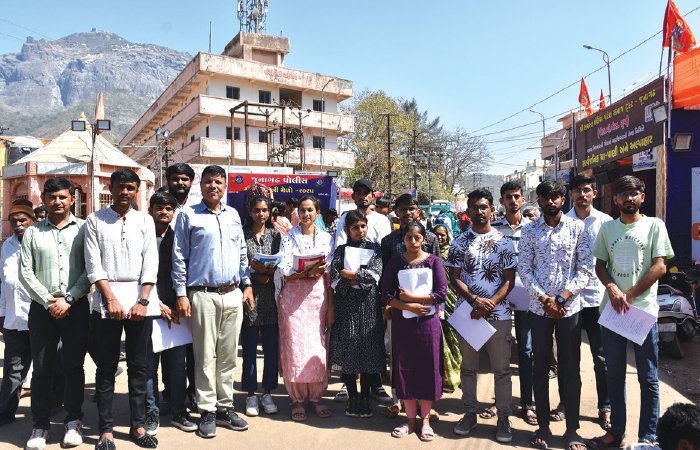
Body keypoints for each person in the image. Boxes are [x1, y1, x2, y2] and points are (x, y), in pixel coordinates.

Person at [588, 175, 674, 449]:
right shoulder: (607, 229)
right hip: (613, 312)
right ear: (615, 199)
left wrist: (631, 294)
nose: (628, 198)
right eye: (623, 194)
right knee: (614, 375)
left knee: (648, 377)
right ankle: (617, 431)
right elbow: (600, 265)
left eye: (633, 193)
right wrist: (612, 287)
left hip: (642, 313)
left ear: (642, 197)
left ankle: (648, 436)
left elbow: (660, 266)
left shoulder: (654, 226)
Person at [172, 165, 253, 438]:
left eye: (218, 182)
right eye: (208, 182)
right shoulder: (188, 215)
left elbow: (242, 252)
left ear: (225, 186)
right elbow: (179, 257)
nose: (213, 186)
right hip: (202, 294)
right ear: (201, 185)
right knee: (205, 356)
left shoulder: (233, 215)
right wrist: (181, 293)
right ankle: (206, 409)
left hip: (232, 293)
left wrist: (247, 285)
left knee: (228, 355)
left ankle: (224, 407)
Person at [85, 169, 159, 450]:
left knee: (139, 366)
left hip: (139, 302)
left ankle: (138, 425)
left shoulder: (145, 220)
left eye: (130, 187)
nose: (125, 192)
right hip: (107, 303)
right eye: (120, 187)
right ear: (110, 187)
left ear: (137, 190)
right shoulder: (95, 220)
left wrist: (143, 300)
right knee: (106, 367)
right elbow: (93, 264)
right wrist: (110, 299)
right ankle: (105, 431)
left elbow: (150, 262)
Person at [518, 179, 593, 450]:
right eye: (545, 197)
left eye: (555, 197)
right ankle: (543, 426)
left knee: (570, 370)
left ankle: (572, 430)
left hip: (569, 310)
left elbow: (585, 268)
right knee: (540, 368)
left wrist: (561, 298)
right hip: (539, 310)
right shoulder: (529, 231)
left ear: (563, 199)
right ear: (538, 200)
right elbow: (524, 268)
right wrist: (545, 299)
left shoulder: (577, 228)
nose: (550, 201)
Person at [20, 178, 91, 450]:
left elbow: (90, 269)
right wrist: (49, 302)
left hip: (76, 307)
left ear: (72, 199)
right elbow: (26, 273)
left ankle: (73, 421)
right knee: (42, 369)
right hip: (42, 309)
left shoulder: (84, 229)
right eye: (52, 197)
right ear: (44, 199)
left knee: (73, 367)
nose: (57, 202)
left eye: (62, 197)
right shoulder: (32, 232)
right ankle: (40, 426)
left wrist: (69, 298)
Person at [447, 188, 516, 443]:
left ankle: (504, 418)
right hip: (468, 314)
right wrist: (475, 301)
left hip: (499, 314)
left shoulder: (504, 242)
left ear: (492, 210)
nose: (479, 211)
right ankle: (469, 414)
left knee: (502, 370)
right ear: (468, 211)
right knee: (468, 368)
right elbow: (454, 277)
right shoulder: (459, 242)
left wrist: (490, 304)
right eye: (475, 207)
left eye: (484, 207)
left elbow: (509, 280)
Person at [382, 221, 447, 442]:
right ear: (403, 239)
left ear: (424, 239)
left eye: (417, 237)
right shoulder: (395, 262)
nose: (412, 242)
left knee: (428, 366)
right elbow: (386, 294)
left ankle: (425, 420)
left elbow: (441, 293)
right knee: (405, 367)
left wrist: (413, 298)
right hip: (403, 323)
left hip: (428, 324)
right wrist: (406, 306)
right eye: (408, 237)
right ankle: (409, 420)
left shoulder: (434, 261)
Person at [332, 179, 392, 405]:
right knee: (349, 340)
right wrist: (347, 278)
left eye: (367, 192)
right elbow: (337, 269)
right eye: (358, 192)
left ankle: (374, 386)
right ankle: (348, 387)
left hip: (370, 295)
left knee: (371, 341)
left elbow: (378, 264)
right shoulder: (344, 219)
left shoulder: (381, 220)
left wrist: (352, 275)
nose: (363, 196)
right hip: (347, 297)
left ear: (373, 195)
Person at [274, 195, 333, 421]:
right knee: (295, 347)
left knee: (317, 346)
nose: (306, 214)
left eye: (310, 210)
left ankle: (316, 398)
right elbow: (284, 268)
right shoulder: (288, 237)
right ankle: (297, 399)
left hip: (317, 298)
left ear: (317, 212)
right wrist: (304, 272)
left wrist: (331, 305)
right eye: (302, 210)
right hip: (293, 300)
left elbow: (330, 272)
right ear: (297, 213)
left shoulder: (327, 238)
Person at [144, 191, 198, 434]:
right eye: (159, 207)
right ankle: (151, 412)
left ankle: (178, 411)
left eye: (168, 208)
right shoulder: (144, 237)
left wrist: (179, 301)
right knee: (149, 366)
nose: (164, 212)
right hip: (149, 309)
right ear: (151, 210)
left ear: (174, 212)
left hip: (177, 311)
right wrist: (156, 304)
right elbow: (139, 274)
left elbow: (185, 272)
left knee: (177, 364)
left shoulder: (180, 237)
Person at [487, 181, 537, 426]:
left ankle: (527, 403)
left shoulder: (534, 228)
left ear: (522, 199)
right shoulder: (493, 229)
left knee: (526, 351)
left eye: (517, 196)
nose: (513, 201)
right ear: (502, 201)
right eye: (509, 197)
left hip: (527, 297)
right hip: (499, 296)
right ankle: (499, 401)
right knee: (500, 352)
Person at [566, 174, 612, 431]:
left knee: (601, 358)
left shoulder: (606, 223)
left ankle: (605, 407)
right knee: (569, 358)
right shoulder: (562, 222)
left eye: (586, 190)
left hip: (597, 298)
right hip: (569, 300)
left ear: (594, 193)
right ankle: (566, 403)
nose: (582, 195)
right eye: (577, 190)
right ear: (570, 194)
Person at [329, 210, 384, 418]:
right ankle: (353, 398)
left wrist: (351, 275)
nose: (360, 231)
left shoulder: (375, 249)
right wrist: (355, 279)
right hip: (346, 306)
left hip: (368, 305)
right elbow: (335, 279)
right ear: (347, 230)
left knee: (368, 351)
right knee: (350, 350)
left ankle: (365, 398)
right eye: (355, 227)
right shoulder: (341, 251)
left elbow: (375, 276)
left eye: (363, 226)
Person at [241, 196, 281, 417]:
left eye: (265, 210)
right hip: (249, 297)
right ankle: (250, 394)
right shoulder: (242, 234)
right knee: (249, 349)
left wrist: (267, 273)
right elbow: (238, 265)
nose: (261, 214)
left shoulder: (276, 236)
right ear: (250, 211)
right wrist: (255, 276)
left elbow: (283, 265)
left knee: (270, 350)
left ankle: (267, 393)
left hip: (271, 299)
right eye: (257, 210)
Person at [164, 162, 197, 414]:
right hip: (166, 287)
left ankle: (194, 392)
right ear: (168, 180)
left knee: (195, 348)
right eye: (176, 179)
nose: (180, 183)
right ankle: (171, 395)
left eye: (185, 179)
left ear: (191, 182)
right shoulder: (161, 206)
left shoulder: (197, 210)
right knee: (171, 348)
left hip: (194, 287)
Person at [0, 200, 35, 426]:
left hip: (40, 319)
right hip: (13, 320)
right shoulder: (7, 246)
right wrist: (2, 313)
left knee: (47, 367)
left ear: (32, 220)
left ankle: (49, 408)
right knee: (13, 369)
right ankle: (5, 411)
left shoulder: (41, 242)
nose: (18, 224)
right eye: (14, 221)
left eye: (23, 220)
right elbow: (3, 283)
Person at [431, 224, 461, 393]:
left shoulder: (453, 252)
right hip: (438, 300)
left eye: (443, 234)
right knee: (441, 339)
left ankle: (459, 373)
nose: (440, 237)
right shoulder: (430, 254)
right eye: (436, 234)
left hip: (453, 299)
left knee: (455, 337)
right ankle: (447, 377)